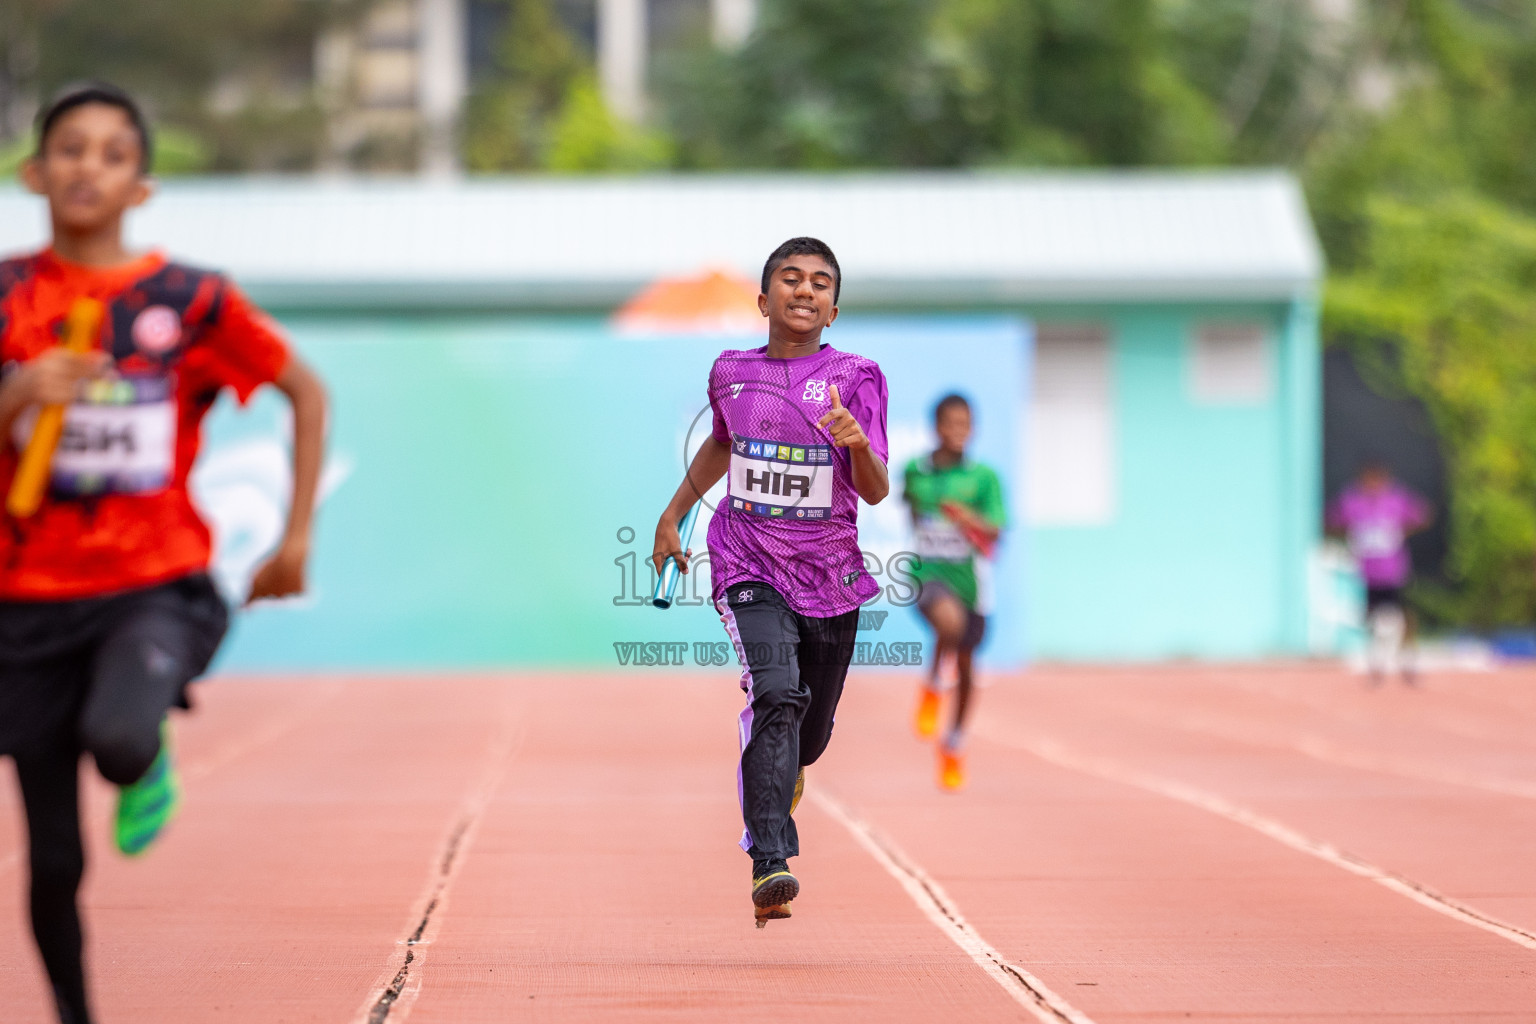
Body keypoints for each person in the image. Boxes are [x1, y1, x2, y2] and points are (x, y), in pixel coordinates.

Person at [0, 82, 327, 1024]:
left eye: (111, 153)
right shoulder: (10, 297)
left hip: (153, 582)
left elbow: (303, 391)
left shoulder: (188, 300)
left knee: (119, 738)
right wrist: (19, 395)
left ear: (140, 186)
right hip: (25, 599)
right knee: (53, 855)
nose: (86, 166)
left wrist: (294, 534)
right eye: (68, 148)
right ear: (35, 172)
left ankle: (147, 756)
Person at [652, 237, 888, 928]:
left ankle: (784, 771)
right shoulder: (730, 372)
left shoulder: (857, 375)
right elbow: (723, 443)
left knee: (807, 738)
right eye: (791, 279)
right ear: (764, 299)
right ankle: (770, 858)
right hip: (746, 558)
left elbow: (874, 491)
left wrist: (855, 444)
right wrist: (674, 516)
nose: (805, 290)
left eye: (820, 283)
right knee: (776, 691)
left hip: (830, 576)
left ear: (834, 309)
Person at [903, 394, 1005, 790]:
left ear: (973, 428)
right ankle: (931, 683)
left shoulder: (984, 478)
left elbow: (996, 528)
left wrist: (967, 518)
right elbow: (912, 508)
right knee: (948, 623)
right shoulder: (916, 471)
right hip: (928, 573)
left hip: (972, 582)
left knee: (966, 666)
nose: (958, 431)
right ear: (937, 427)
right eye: (950, 423)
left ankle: (954, 742)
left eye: (965, 423)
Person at [1326, 461, 1432, 684]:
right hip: (1368, 572)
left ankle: (1408, 662)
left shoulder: (1396, 500)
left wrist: (1400, 531)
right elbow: (1332, 520)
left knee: (1402, 618)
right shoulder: (1352, 502)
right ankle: (1376, 664)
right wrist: (1351, 536)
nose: (1373, 484)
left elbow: (1423, 515)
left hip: (1394, 570)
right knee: (1373, 620)